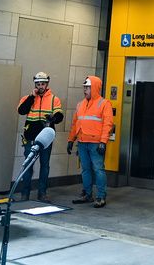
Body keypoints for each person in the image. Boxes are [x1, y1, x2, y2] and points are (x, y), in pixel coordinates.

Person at [67, 75, 113, 208]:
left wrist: (103, 142)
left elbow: (107, 124)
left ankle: (100, 196)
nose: (85, 90)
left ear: (95, 88)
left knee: (98, 169)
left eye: (87, 87)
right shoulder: (80, 104)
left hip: (96, 144)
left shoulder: (104, 104)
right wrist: (71, 140)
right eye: (84, 87)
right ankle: (87, 194)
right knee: (86, 170)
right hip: (82, 142)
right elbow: (75, 124)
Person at [17, 71, 64, 201]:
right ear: (35, 85)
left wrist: (53, 118)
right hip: (30, 138)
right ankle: (24, 194)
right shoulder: (28, 98)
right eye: (38, 84)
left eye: (43, 84)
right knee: (28, 165)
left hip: (45, 139)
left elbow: (60, 116)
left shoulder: (54, 99)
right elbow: (22, 111)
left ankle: (42, 193)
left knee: (45, 165)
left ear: (47, 84)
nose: (40, 86)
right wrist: (32, 97)